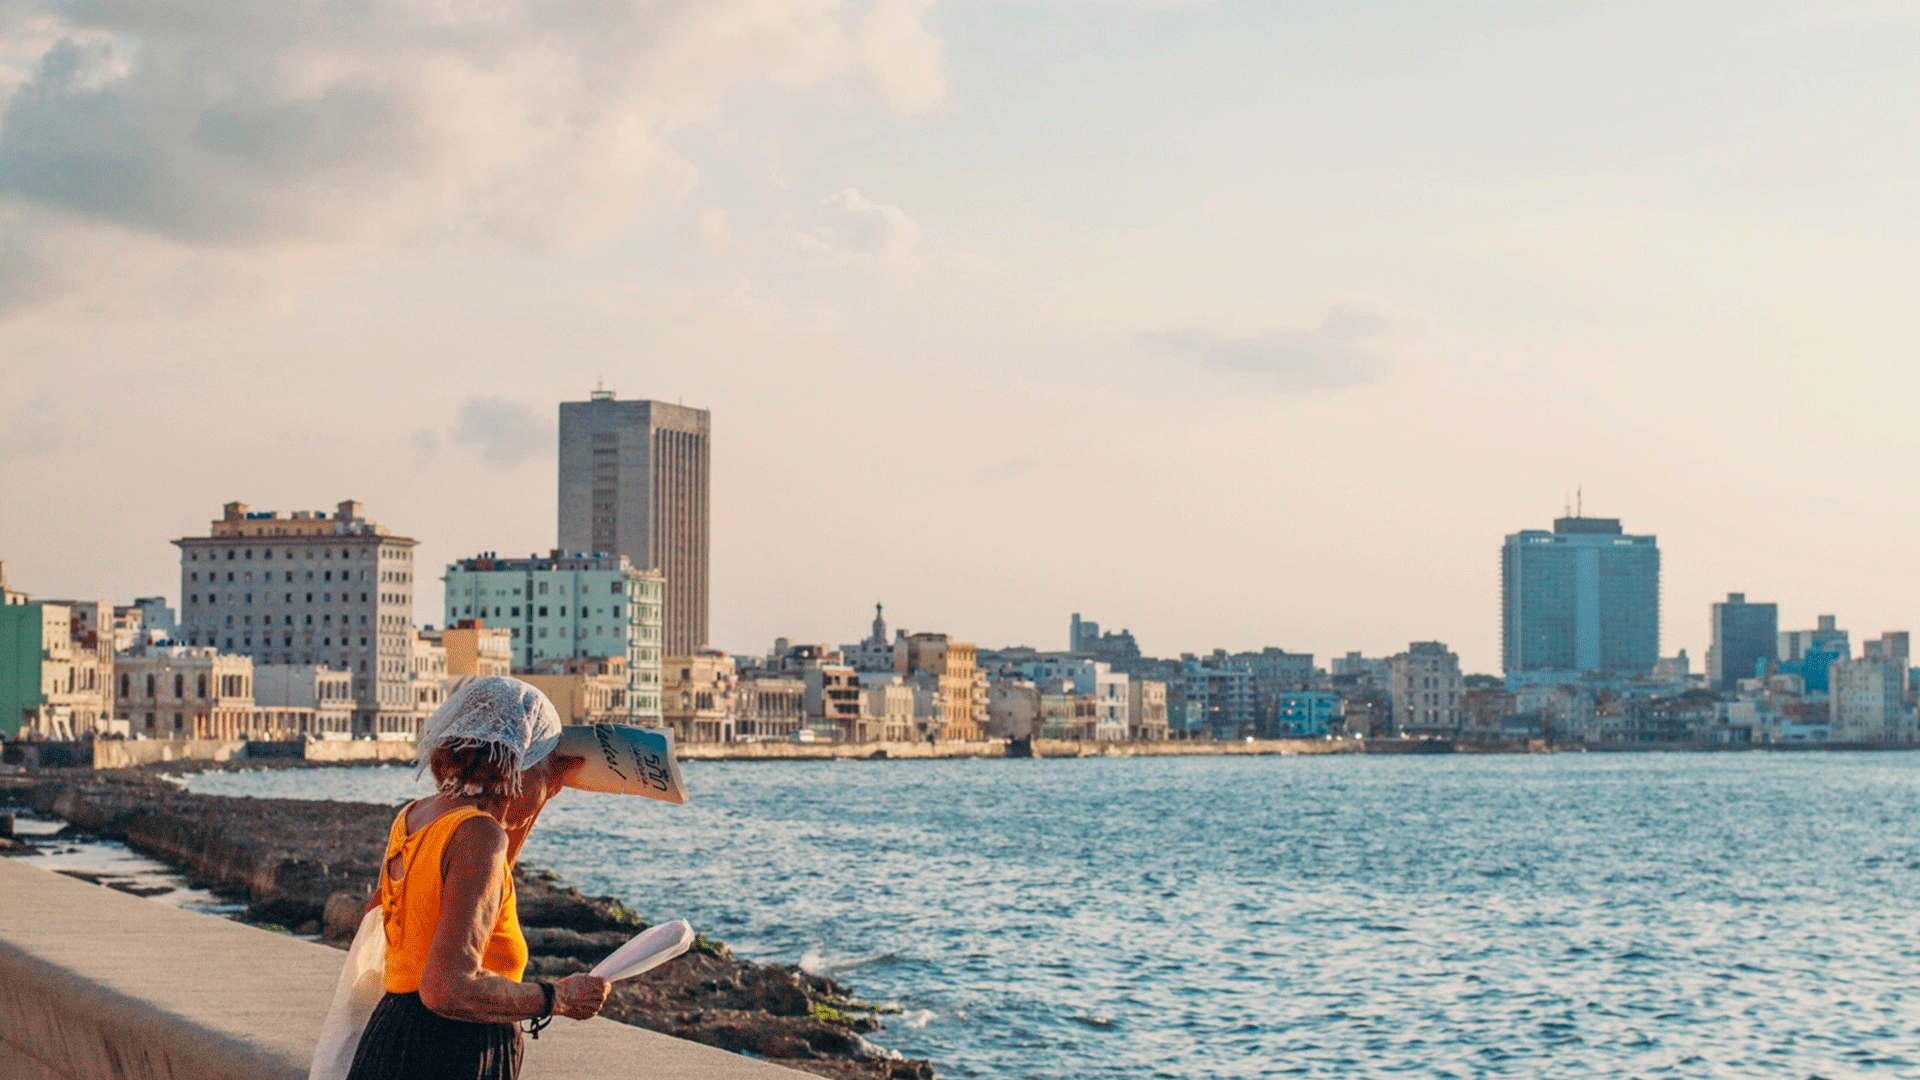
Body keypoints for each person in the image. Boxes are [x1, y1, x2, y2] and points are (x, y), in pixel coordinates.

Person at [346, 676, 611, 1080]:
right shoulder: (477, 838)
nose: (549, 789)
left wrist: (544, 790)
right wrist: (555, 998)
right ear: (518, 770)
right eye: (546, 771)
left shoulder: (417, 817)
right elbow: (447, 988)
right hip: (448, 1052)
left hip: (396, 1035)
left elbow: (487, 877)